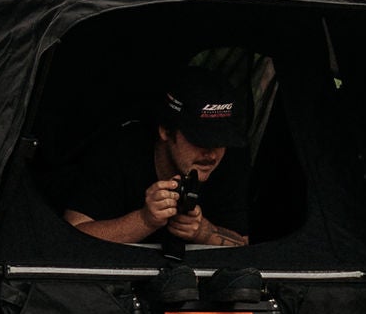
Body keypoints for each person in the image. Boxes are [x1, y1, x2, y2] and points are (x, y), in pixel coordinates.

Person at [59, 70, 249, 250]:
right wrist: (144, 220)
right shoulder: (121, 151)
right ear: (166, 131)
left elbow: (244, 247)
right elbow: (69, 236)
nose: (211, 154)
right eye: (200, 141)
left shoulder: (228, 161)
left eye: (222, 141)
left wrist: (203, 232)